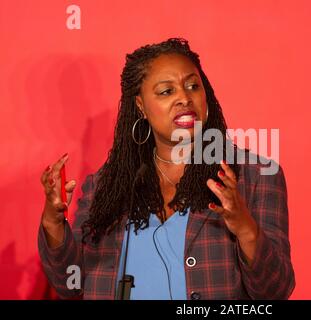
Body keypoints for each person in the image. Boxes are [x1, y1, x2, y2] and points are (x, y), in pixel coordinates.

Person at [38, 38, 295, 300]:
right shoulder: (106, 185)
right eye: (166, 91)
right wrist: (53, 222)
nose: (184, 98)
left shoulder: (256, 176)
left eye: (193, 86)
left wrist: (245, 228)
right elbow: (70, 285)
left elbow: (274, 292)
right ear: (141, 107)